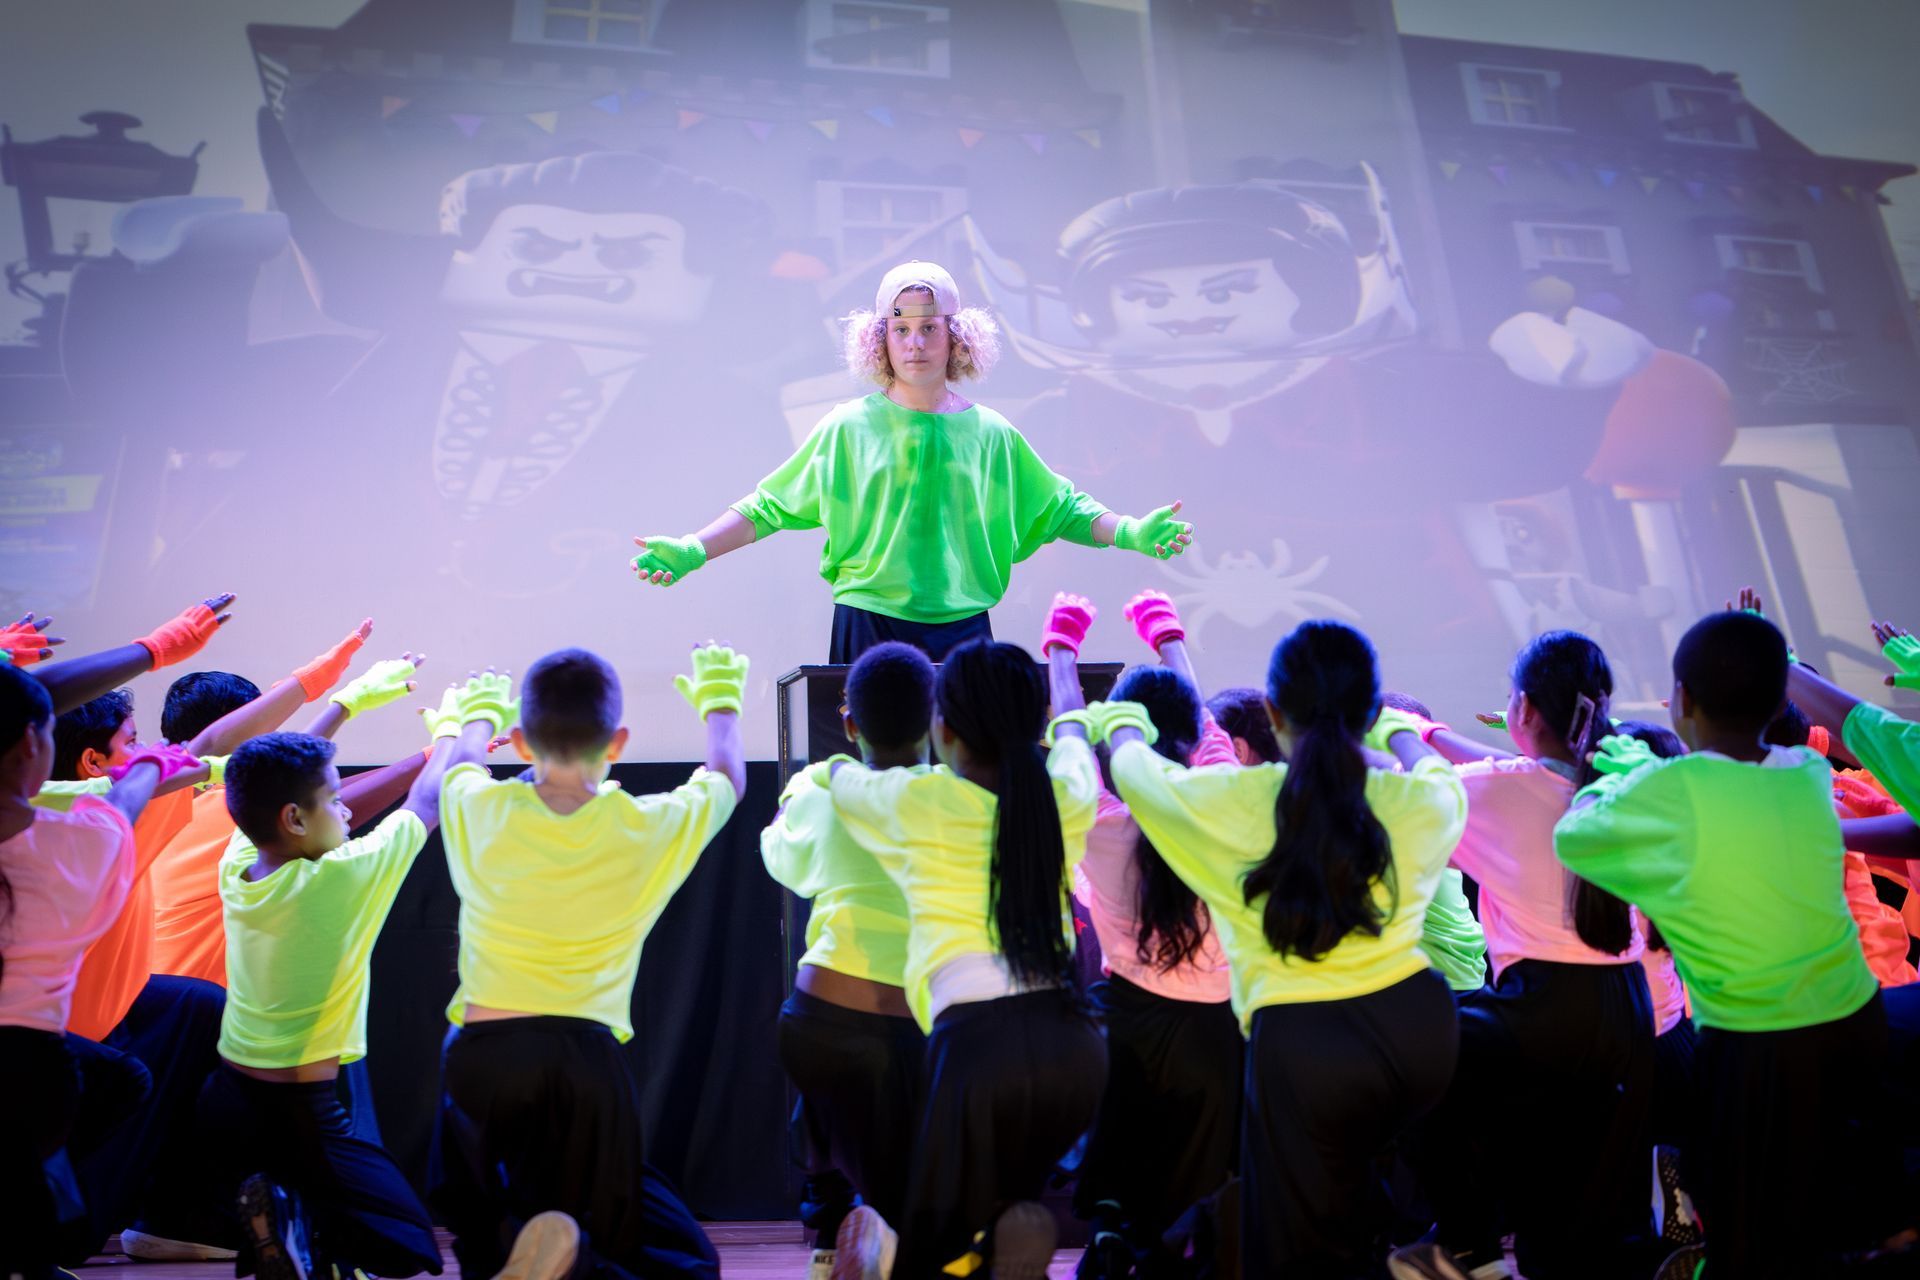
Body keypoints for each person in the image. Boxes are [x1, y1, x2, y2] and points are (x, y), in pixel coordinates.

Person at [1552, 605, 1914, 1275]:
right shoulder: (1803, 773)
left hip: (1757, 1042)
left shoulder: (1666, 789)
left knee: (1749, 1211)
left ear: (1680, 701)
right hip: (1855, 1019)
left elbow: (1575, 839)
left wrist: (1619, 765)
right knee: (1855, 1175)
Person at [1103, 620, 1467, 1276]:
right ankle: (1393, 1261)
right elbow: (1442, 777)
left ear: (1273, 713)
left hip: (1304, 1043)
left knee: (1292, 1234)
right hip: (1419, 1032)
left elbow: (1135, 773)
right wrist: (1401, 733)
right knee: (1358, 1186)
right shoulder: (1417, 798)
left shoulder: (1236, 798)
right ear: (1367, 711)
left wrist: (1122, 720)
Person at [629, 261, 1194, 665]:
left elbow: (1062, 508)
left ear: (957, 338)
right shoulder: (847, 426)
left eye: (929, 328)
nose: (915, 342)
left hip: (964, 625)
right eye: (901, 329)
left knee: (965, 775)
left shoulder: (991, 433)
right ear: (881, 340)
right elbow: (770, 506)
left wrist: (1130, 531)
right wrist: (696, 547)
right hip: (868, 622)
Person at [42, 616, 376, 1259]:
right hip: (70, 1033)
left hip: (110, 1018)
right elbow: (230, 753)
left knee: (193, 1026)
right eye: (130, 742)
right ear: (92, 760)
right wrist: (338, 699)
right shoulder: (115, 811)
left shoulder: (95, 802)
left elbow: (221, 749)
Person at [433, 648, 746, 1280]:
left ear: (520, 741)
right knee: (655, 1252)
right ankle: (577, 1264)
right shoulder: (644, 825)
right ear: (620, 741)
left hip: (483, 1057)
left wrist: (476, 719)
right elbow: (728, 780)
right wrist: (720, 704)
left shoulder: (475, 807)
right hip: (584, 1066)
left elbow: (460, 765)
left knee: (494, 1238)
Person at [196, 675, 495, 1280]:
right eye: (333, 798)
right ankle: (289, 1221)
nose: (347, 807)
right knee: (407, 1245)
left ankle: (290, 1227)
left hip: (227, 1098)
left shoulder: (239, 862)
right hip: (301, 1108)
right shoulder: (343, 878)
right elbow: (429, 800)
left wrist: (341, 709)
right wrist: (451, 729)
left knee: (308, 1236)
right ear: (294, 819)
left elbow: (263, 778)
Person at [827, 639, 1108, 1280]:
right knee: (1000, 1209)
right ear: (1033, 722)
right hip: (1076, 1047)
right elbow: (1071, 726)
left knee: (938, 1249)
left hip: (980, 1047)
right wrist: (1062, 654)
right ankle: (1010, 1238)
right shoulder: (1066, 790)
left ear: (944, 729)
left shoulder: (915, 801)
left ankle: (984, 1246)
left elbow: (844, 779)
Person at [1403, 632, 1656, 1279]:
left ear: (1524, 709)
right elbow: (1517, 772)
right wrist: (1429, 731)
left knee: (1412, 1052)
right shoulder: (1623, 782)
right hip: (1628, 1008)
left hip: (1544, 1008)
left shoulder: (1502, 789)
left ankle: (1466, 1246)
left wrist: (1399, 732)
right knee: (1597, 1209)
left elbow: (1432, 787)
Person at [1042, 590, 1241, 1279]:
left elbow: (1068, 729)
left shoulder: (1100, 821)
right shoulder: (1222, 797)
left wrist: (1063, 645)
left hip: (1124, 1023)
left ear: (1116, 736)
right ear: (1191, 739)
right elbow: (1203, 715)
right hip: (1214, 1031)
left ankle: (1110, 1242)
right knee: (1195, 1191)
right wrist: (1166, 634)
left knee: (1119, 1175)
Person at [0, 661, 194, 1277]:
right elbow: (124, 804)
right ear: (33, 743)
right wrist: (144, 768)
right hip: (25, 1064)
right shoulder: (72, 843)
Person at [761, 641, 933, 1280]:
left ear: (851, 723)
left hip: (821, 1017)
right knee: (914, 1164)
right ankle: (887, 1230)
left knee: (827, 1119)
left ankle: (835, 1236)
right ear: (937, 721)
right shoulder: (959, 797)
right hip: (919, 1024)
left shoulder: (820, 786)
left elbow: (784, 863)